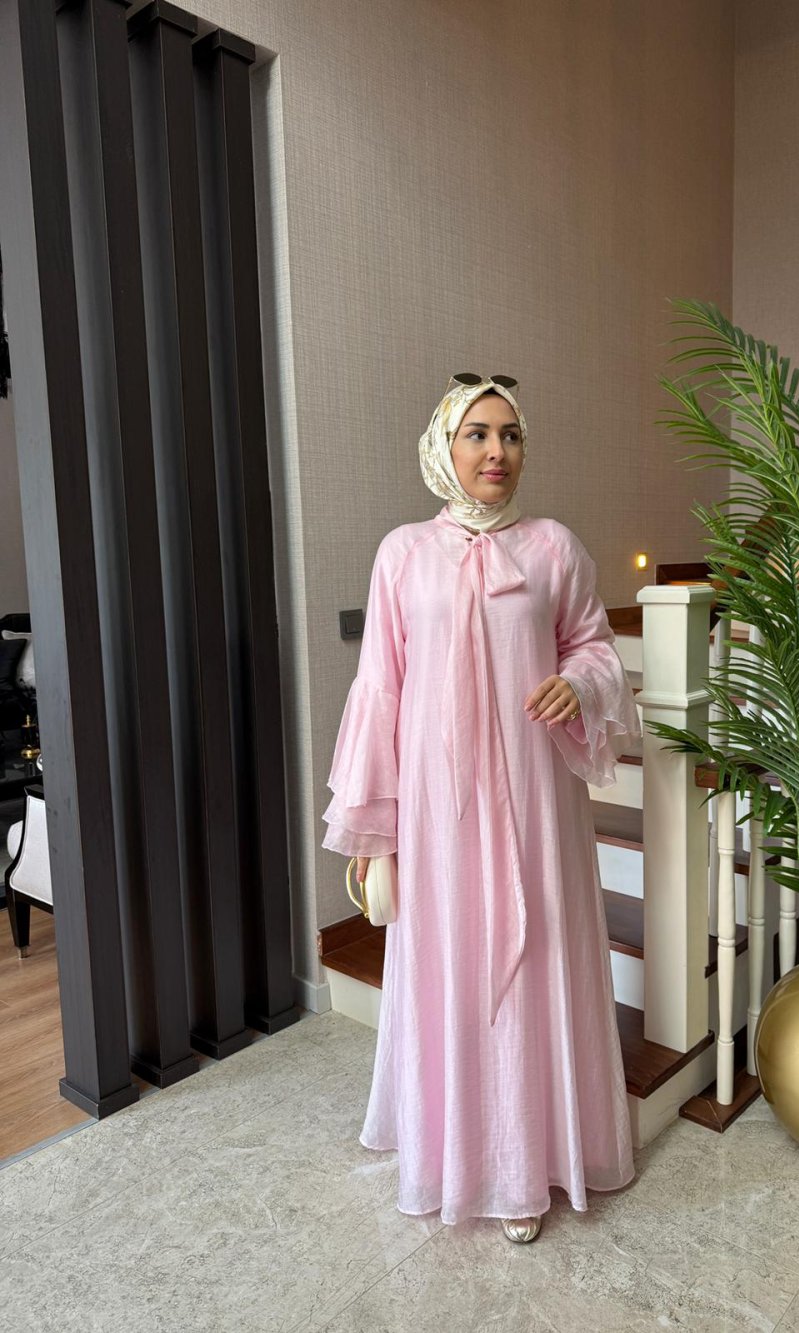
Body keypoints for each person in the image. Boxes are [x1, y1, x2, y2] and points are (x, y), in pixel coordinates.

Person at [321, 372, 642, 1242]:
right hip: (439, 807)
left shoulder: (554, 548)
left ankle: (526, 1165)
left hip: (536, 799)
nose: (497, 451)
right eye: (478, 433)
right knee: (451, 963)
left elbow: (595, 647)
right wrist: (375, 822)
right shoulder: (402, 553)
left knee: (536, 957)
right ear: (445, 447)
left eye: (510, 434)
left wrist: (578, 683)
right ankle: (457, 1153)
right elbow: (381, 689)